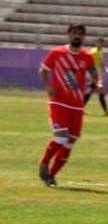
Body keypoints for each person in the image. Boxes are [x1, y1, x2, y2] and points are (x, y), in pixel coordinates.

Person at [37, 23, 100, 187]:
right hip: (58, 103)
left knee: (70, 141)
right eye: (74, 33)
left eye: (80, 33)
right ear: (68, 34)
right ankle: (44, 163)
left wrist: (97, 83)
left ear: (84, 36)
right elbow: (43, 70)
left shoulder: (87, 57)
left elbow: (94, 73)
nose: (76, 36)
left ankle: (51, 176)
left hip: (77, 106)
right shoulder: (56, 53)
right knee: (60, 137)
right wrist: (48, 87)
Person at [84, 37, 108, 116]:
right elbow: (87, 62)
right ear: (95, 43)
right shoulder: (93, 52)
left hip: (96, 74)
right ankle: (106, 112)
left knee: (90, 91)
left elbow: (102, 65)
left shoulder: (100, 53)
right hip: (92, 74)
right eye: (99, 42)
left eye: (101, 43)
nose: (100, 44)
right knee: (100, 91)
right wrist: (91, 74)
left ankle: (80, 108)